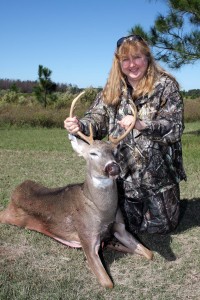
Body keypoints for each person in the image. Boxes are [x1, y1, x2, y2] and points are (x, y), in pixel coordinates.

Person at [64, 34, 187, 235]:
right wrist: (80, 125)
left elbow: (174, 128)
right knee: (125, 226)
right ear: (119, 62)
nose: (132, 65)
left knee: (164, 226)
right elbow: (97, 118)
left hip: (158, 179)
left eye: (137, 57)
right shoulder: (112, 88)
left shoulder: (166, 86)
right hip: (121, 178)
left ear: (147, 57)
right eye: (125, 60)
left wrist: (141, 124)